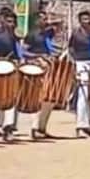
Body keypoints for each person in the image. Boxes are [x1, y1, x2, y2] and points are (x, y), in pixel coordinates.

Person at [24, 7, 59, 139]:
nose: (46, 21)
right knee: (39, 98)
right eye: (43, 19)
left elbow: (59, 26)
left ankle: (42, 127)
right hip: (38, 67)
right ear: (37, 21)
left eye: (46, 19)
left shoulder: (48, 34)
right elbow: (23, 51)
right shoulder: (32, 35)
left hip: (49, 67)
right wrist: (38, 56)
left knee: (49, 100)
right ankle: (35, 127)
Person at [0, 7, 25, 141]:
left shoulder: (15, 38)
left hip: (12, 71)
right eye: (9, 22)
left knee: (12, 100)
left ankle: (8, 127)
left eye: (13, 22)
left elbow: (19, 53)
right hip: (2, 71)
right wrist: (1, 60)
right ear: (4, 23)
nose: (12, 25)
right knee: (0, 99)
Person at [69, 10, 90, 137]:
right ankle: (81, 125)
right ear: (80, 21)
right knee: (83, 94)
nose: (87, 21)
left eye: (88, 19)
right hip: (81, 63)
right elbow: (70, 49)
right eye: (84, 19)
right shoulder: (76, 34)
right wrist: (74, 63)